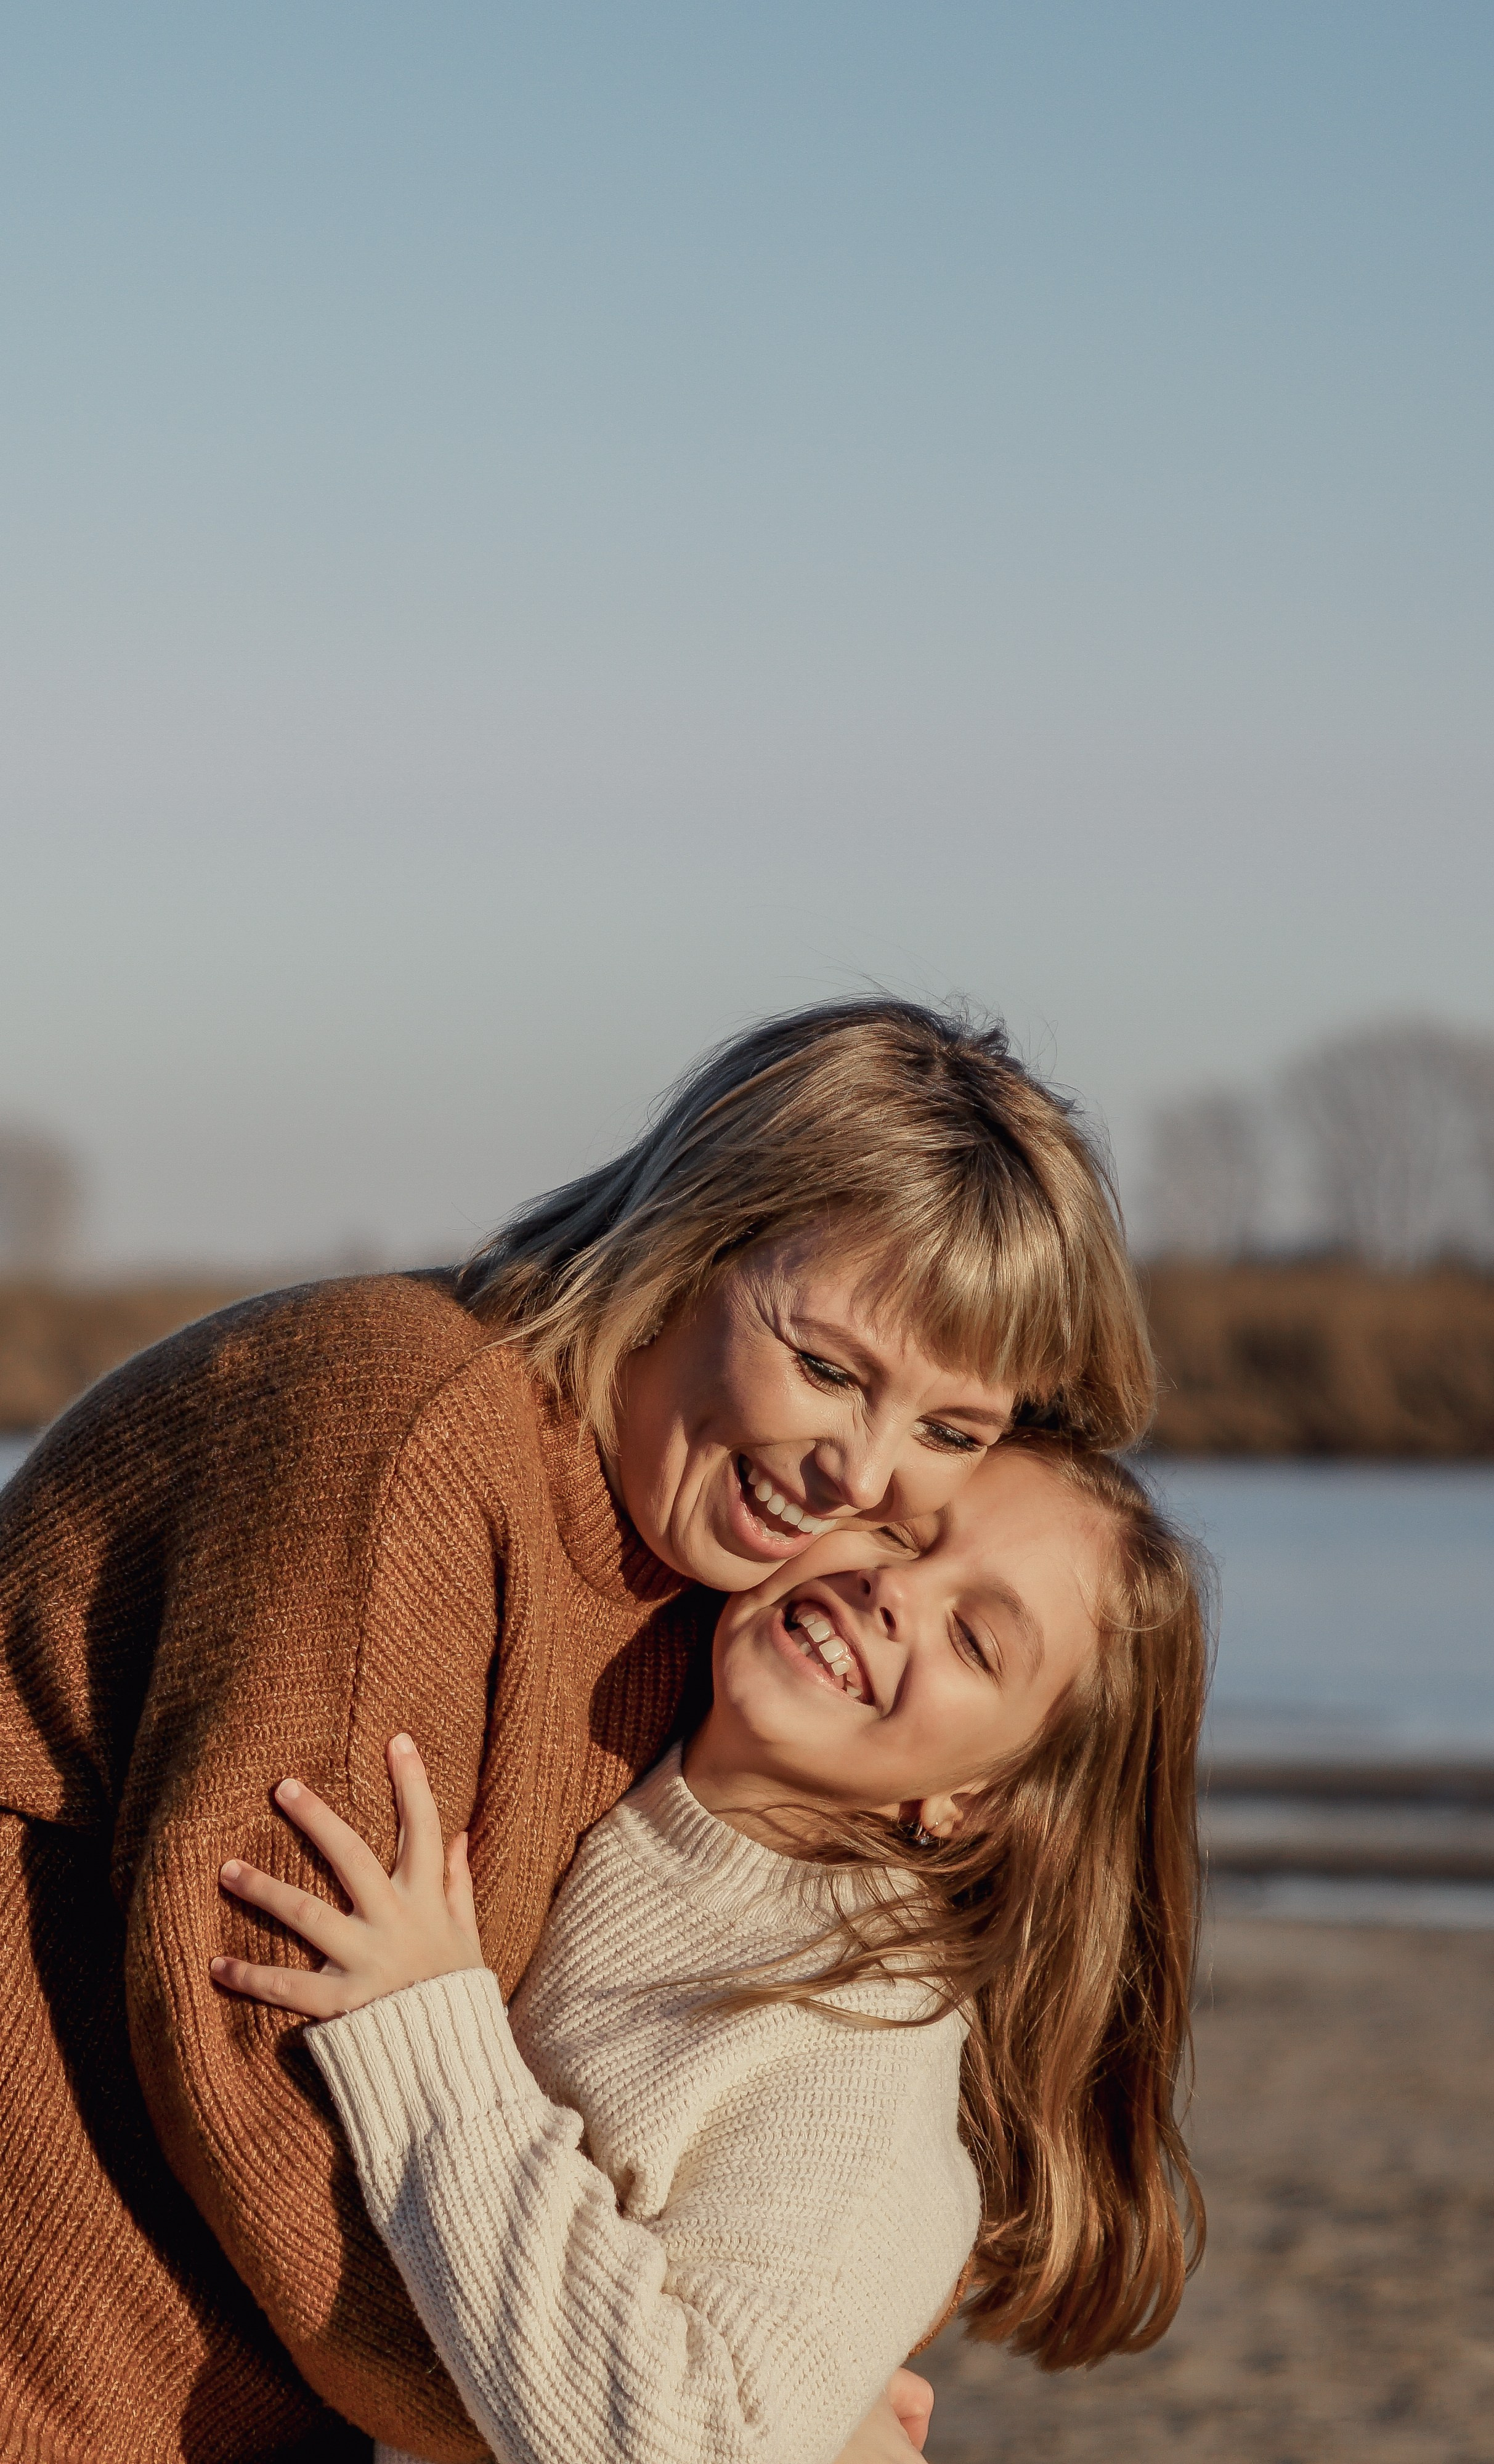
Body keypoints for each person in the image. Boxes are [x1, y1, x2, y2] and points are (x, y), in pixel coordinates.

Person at [0, 997, 1155, 2462]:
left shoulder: (715, 1581)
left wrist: (794, 2382)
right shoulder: (397, 1434)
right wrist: (687, 2436)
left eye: (949, 1429)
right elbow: (264, 2059)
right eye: (829, 1366)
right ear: (693, 1241)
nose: (864, 1472)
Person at [211, 1437, 1208, 2464]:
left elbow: (692, 2446)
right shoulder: (621, 1760)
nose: (894, 1590)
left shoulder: (857, 2046)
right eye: (897, 1530)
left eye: (974, 1640)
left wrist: (428, 2039)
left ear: (981, 1800)